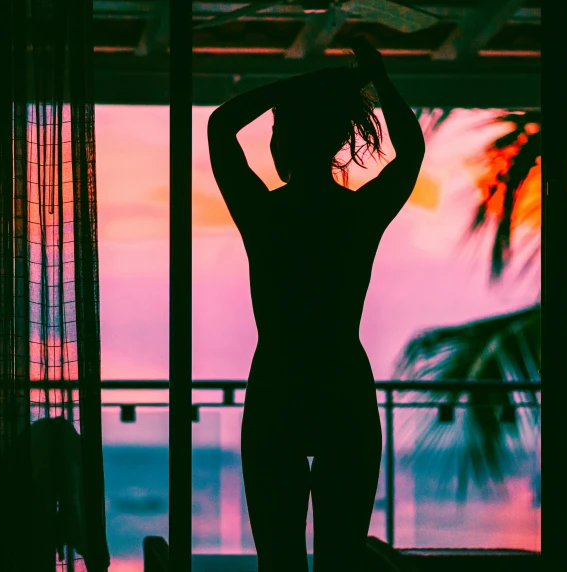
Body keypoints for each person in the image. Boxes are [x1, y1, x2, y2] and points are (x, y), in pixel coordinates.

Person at [207, 36, 425, 572]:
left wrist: (306, 84)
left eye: (279, 130)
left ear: (285, 144)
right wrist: (375, 80)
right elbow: (412, 151)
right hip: (344, 387)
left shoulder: (263, 213)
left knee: (278, 560)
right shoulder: (359, 213)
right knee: (340, 559)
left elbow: (220, 126)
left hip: (277, 385)